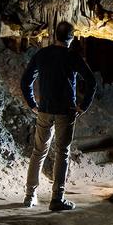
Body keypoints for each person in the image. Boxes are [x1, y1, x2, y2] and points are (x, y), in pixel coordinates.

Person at [20, 21, 96, 211]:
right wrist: (83, 106)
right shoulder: (72, 56)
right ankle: (57, 199)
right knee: (62, 153)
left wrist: (32, 104)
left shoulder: (42, 54)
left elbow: (26, 81)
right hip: (65, 112)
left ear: (55, 35)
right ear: (71, 37)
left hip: (44, 111)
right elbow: (92, 82)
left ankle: (30, 196)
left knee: (38, 152)